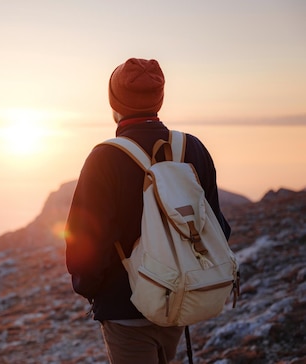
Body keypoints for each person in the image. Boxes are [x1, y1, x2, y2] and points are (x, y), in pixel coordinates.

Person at [65, 58, 231, 364]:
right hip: (179, 300)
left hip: (124, 307)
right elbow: (218, 227)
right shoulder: (192, 148)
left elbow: (84, 243)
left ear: (114, 102)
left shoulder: (105, 158)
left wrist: (91, 291)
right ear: (160, 98)